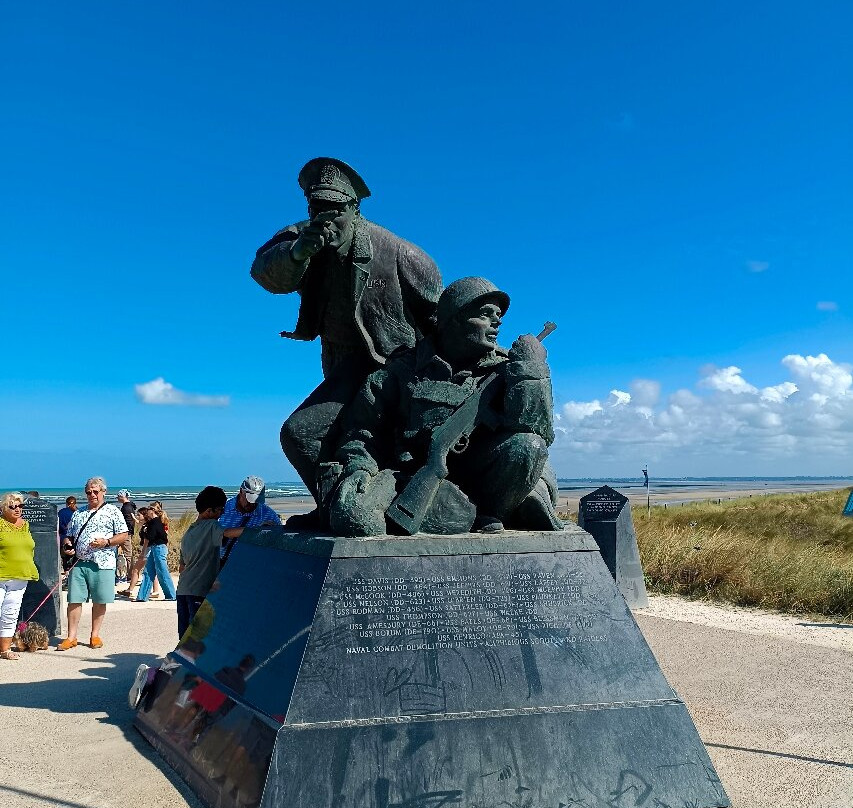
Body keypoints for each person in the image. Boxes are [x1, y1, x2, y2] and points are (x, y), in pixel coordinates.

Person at [250, 157, 443, 524]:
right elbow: (263, 271)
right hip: (340, 361)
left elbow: (443, 319)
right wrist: (297, 254)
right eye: (316, 207)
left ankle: (347, 512)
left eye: (335, 209)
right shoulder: (302, 238)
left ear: (355, 209)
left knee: (300, 433)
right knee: (339, 439)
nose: (325, 219)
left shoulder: (399, 254)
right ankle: (338, 509)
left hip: (393, 364)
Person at [330, 277, 563, 536]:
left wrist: (531, 370)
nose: (497, 322)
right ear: (453, 318)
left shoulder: (508, 368)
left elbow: (536, 428)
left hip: (486, 476)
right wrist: (359, 468)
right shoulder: (401, 370)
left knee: (528, 446)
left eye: (498, 315)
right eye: (485, 314)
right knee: (354, 515)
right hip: (412, 476)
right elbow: (362, 432)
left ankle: (493, 512)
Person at [58, 477, 129, 650]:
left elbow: (124, 534)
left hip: (103, 563)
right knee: (74, 599)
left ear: (104, 492)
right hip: (79, 562)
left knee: (99, 600)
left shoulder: (113, 511)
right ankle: (71, 637)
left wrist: (106, 542)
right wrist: (67, 545)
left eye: (95, 491)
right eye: (88, 492)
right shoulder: (79, 512)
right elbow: (69, 535)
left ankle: (94, 635)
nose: (92, 495)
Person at [176, 486, 244, 639]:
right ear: (209, 511)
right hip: (199, 591)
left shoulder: (189, 532)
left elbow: (182, 567)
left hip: (183, 589)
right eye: (220, 510)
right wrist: (254, 530)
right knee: (199, 637)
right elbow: (228, 533)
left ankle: (179, 663)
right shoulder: (212, 525)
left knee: (184, 636)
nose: (222, 514)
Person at [0, 493, 40, 660]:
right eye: (12, 506)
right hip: (1, 575)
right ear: (3, 508)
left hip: (21, 576)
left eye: (20, 506)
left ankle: (5, 649)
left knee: (10, 613)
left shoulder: (25, 525)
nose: (17, 509)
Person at [218, 476, 280, 566]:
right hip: (219, 562)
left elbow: (277, 542)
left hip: (250, 565)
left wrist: (272, 532)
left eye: (257, 500)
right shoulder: (222, 508)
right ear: (240, 491)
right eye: (249, 499)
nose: (252, 503)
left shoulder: (269, 515)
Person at [135, 502, 176, 603]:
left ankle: (171, 595)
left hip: (159, 548)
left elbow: (152, 536)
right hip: (154, 547)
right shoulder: (152, 522)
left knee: (162, 571)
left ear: (152, 510)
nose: (147, 511)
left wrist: (145, 545)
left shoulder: (156, 522)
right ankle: (142, 596)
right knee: (148, 571)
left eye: (149, 509)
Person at [115, 489, 136, 583]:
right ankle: (125, 574)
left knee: (128, 554)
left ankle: (130, 576)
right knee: (124, 553)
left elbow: (129, 521)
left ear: (122, 496)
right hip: (126, 533)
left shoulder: (126, 507)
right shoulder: (128, 506)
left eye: (118, 496)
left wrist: (127, 532)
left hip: (125, 533)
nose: (117, 498)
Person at [58, 496, 78, 575]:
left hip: (63, 536)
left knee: (65, 557)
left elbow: (58, 525)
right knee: (73, 556)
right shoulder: (77, 512)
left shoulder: (61, 512)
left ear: (66, 503)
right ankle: (71, 573)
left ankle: (66, 572)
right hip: (74, 537)